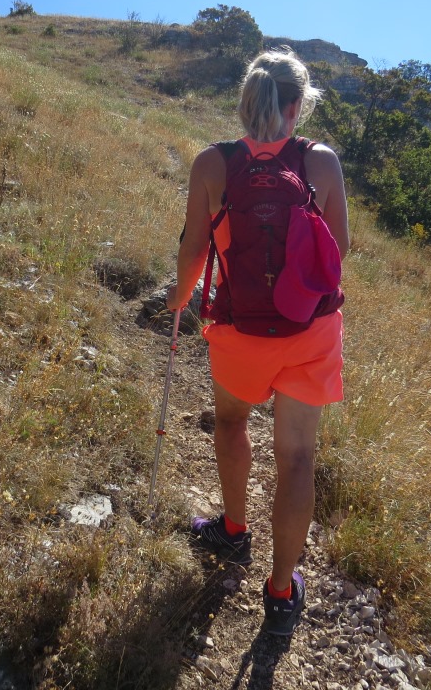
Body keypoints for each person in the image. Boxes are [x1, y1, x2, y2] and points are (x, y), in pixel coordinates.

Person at [166, 48, 349, 636]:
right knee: (296, 457)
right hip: (309, 330)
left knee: (231, 422)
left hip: (239, 330)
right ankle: (281, 588)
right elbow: (339, 251)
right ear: (298, 106)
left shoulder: (212, 163)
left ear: (245, 103)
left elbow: (195, 248)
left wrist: (179, 298)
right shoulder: (321, 162)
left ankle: (233, 529)